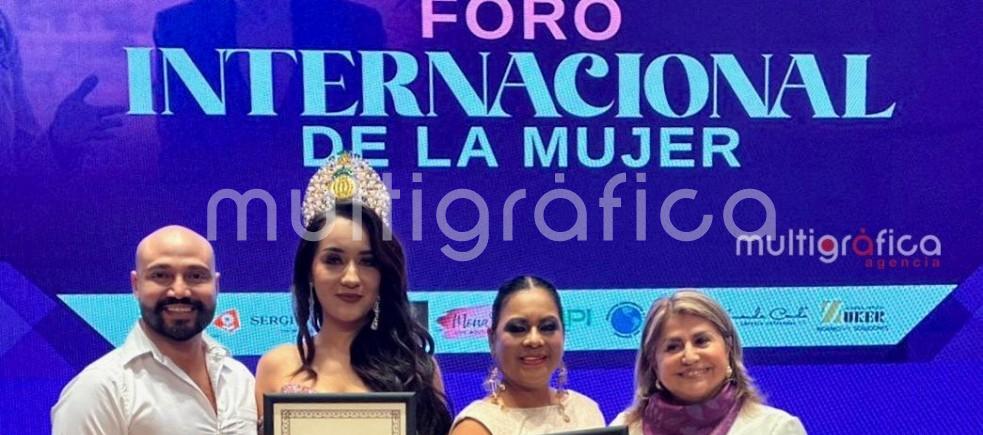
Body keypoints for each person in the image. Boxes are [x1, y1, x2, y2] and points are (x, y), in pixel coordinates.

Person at [254, 153, 452, 434]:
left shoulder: (417, 369)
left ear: (383, 274)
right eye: (333, 260)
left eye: (367, 262)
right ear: (310, 271)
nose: (351, 278)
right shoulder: (277, 366)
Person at [50, 225, 256, 434]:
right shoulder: (99, 389)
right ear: (136, 285)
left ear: (216, 286)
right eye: (161, 275)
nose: (179, 291)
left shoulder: (239, 378)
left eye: (195, 276)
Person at [611, 290, 806, 435]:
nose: (690, 357)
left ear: (728, 348)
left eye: (701, 341)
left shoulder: (776, 429)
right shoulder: (624, 429)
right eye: (673, 347)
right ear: (654, 362)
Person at [451, 276, 606, 435]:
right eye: (518, 328)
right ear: (492, 339)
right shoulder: (475, 427)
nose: (534, 340)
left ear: (563, 334)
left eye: (547, 327)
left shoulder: (586, 411)